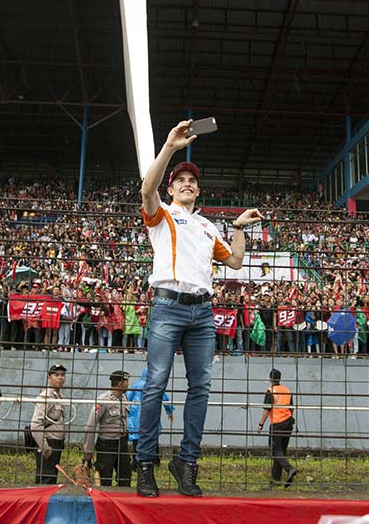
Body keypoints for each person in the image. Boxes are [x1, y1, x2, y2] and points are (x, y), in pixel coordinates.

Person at [136, 120, 263, 498]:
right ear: (171, 188)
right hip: (168, 305)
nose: (187, 184)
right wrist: (170, 147)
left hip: (202, 312)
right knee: (155, 384)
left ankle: (186, 463)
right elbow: (146, 189)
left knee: (201, 387)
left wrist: (238, 227)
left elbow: (235, 261)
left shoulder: (208, 227)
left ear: (198, 189)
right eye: (180, 180)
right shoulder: (161, 214)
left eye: (192, 180)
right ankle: (145, 463)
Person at [83, 370, 131, 487]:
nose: (128, 384)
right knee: (105, 478)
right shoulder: (103, 400)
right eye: (126, 381)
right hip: (107, 444)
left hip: (122, 443)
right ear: (120, 383)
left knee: (125, 476)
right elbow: (91, 425)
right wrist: (88, 451)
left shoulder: (124, 398)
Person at [257, 369, 299, 487]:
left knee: (274, 449)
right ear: (280, 378)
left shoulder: (270, 391)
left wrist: (260, 424)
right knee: (281, 450)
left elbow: (267, 409)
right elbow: (291, 408)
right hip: (288, 422)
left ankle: (289, 469)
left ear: (270, 379)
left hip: (277, 423)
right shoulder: (287, 390)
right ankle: (276, 477)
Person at [126, 368, 174, 466]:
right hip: (151, 415)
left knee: (137, 439)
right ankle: (155, 461)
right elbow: (165, 399)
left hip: (136, 418)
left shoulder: (136, 385)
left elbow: (127, 398)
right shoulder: (156, 385)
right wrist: (169, 411)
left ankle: (136, 462)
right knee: (153, 438)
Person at [30, 364, 67, 484]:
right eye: (56, 375)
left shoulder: (58, 396)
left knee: (51, 478)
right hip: (48, 443)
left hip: (56, 443)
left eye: (62, 375)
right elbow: (36, 424)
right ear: (49, 378)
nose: (60, 378)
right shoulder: (46, 396)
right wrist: (45, 447)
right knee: (46, 479)